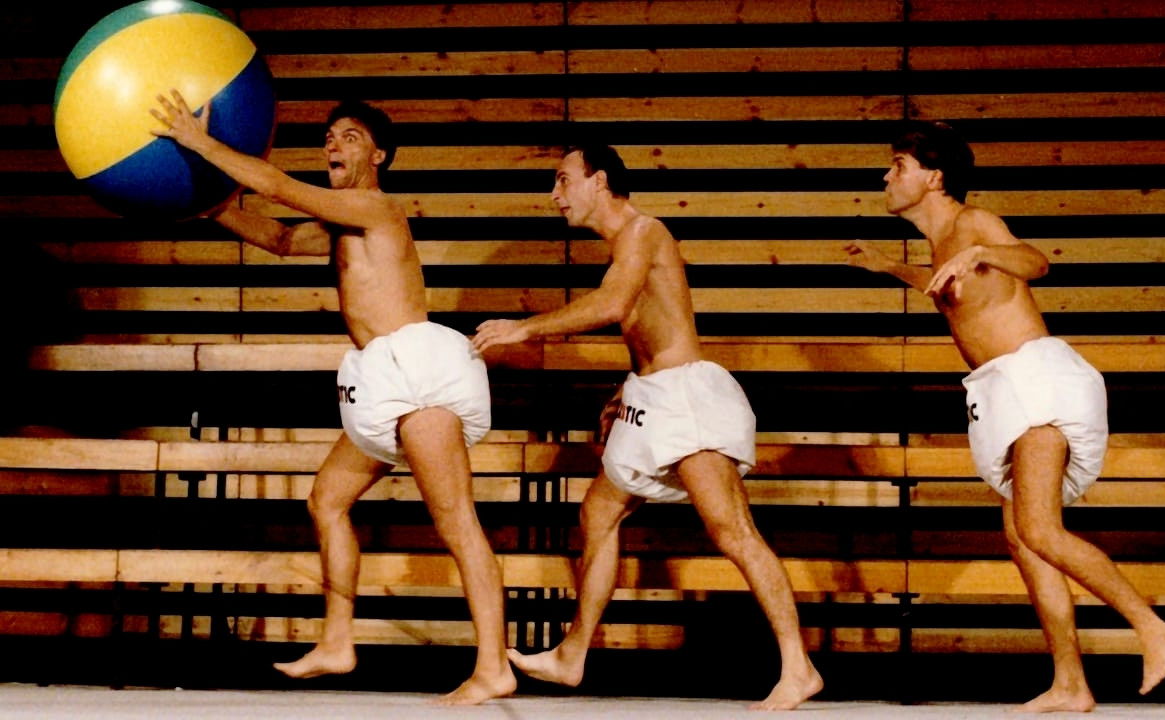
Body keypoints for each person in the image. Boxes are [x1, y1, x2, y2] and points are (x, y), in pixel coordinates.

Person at [150, 92, 515, 705]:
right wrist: (210, 208)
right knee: (326, 501)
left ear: (379, 155)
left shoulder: (376, 207)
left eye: (350, 137)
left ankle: (493, 667)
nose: (333, 145)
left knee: (457, 522)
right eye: (329, 137)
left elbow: (277, 187)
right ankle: (338, 642)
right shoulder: (343, 222)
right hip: (381, 380)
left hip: (419, 378)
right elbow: (279, 238)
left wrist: (199, 141)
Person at [845, 121, 1165, 712]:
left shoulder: (973, 224)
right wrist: (887, 267)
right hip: (1008, 388)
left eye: (898, 165)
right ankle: (1070, 683)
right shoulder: (942, 244)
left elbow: (1036, 262)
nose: (886, 176)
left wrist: (982, 251)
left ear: (934, 177)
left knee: (1039, 530)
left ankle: (1154, 628)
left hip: (1037, 380)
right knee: (1025, 540)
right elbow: (944, 288)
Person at [471, 145, 823, 711]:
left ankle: (798, 667)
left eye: (563, 180)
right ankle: (572, 654)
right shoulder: (626, 245)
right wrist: (626, 389)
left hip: (686, 399)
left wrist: (524, 329)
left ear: (599, 181)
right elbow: (648, 323)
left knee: (731, 530)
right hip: (651, 394)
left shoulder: (645, 231)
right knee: (598, 512)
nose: (555, 195)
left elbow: (613, 304)